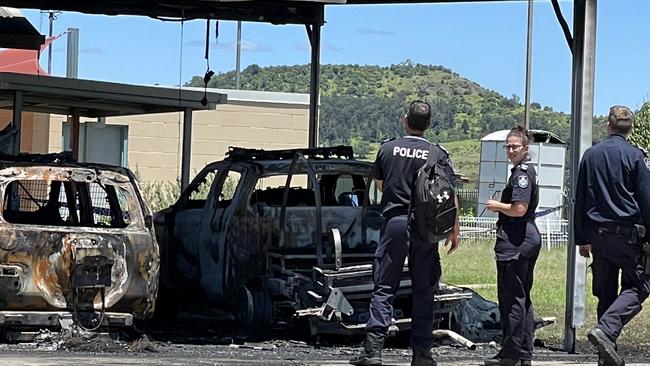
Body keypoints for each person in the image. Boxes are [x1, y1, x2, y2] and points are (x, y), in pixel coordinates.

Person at [349, 100, 460, 366]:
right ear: (429, 124)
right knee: (424, 289)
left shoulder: (387, 149)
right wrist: (454, 229)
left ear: (405, 120)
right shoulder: (437, 153)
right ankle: (422, 353)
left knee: (385, 286)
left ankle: (373, 350)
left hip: (395, 222)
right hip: (425, 228)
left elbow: (379, 183)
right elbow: (449, 194)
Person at [574, 105, 650, 366]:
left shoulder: (591, 155)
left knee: (605, 294)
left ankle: (607, 356)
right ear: (629, 129)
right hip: (627, 236)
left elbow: (580, 199)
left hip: (597, 236)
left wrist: (581, 238)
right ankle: (606, 331)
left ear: (608, 126)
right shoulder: (635, 156)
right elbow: (645, 199)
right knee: (640, 286)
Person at [484, 125, 540, 366]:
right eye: (507, 146)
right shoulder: (521, 171)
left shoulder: (521, 175)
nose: (510, 150)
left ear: (525, 148)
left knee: (512, 299)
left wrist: (496, 205)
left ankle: (511, 354)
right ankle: (524, 352)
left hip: (516, 240)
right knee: (523, 297)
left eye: (514, 146)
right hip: (525, 237)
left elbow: (519, 208)